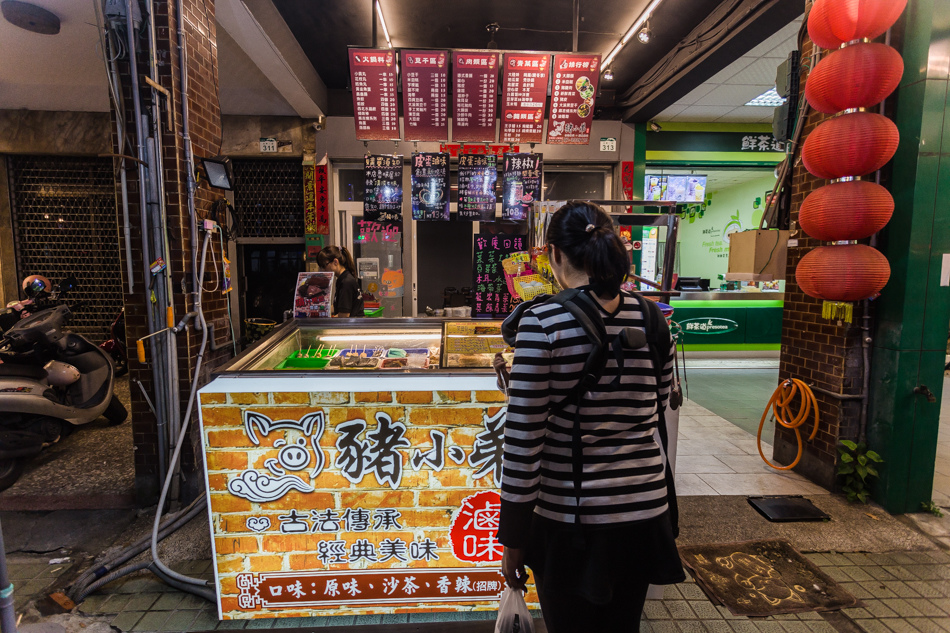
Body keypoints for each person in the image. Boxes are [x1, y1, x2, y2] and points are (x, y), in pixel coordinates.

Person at [495, 201, 684, 633]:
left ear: (554, 255)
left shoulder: (542, 322)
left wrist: (514, 539)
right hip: (643, 511)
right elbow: (655, 409)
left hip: (572, 520)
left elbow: (524, 443)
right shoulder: (653, 317)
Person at [316, 245, 364, 317]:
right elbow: (337, 307)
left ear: (335, 262)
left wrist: (326, 322)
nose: (323, 269)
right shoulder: (343, 278)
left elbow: (344, 315)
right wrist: (318, 310)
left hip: (351, 326)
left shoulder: (346, 282)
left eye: (324, 265)